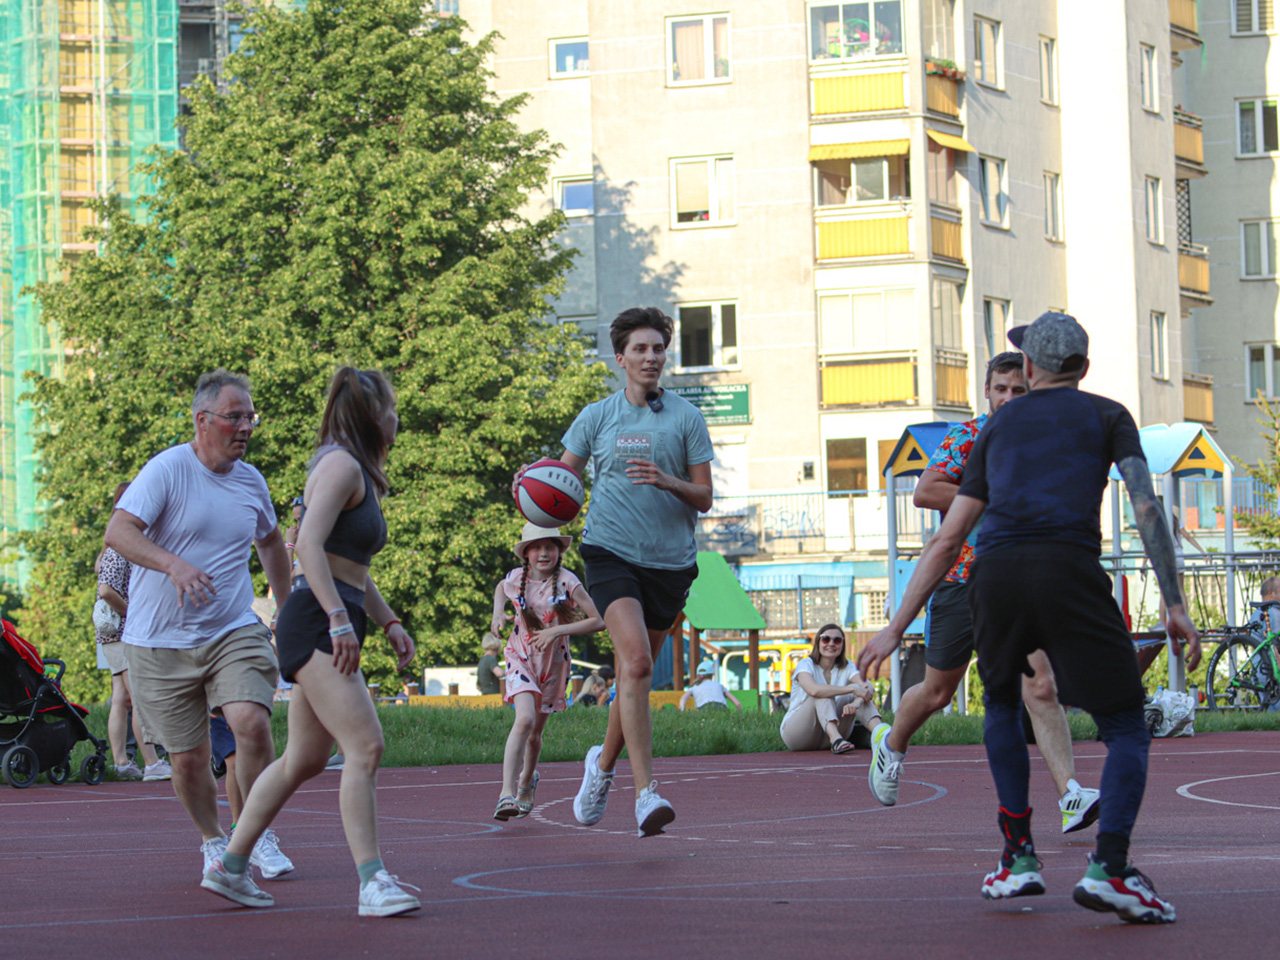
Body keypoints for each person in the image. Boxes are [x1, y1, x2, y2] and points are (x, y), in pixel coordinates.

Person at [858, 312, 1200, 924]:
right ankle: (1111, 867)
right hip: (1070, 570)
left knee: (1002, 705)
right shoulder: (1108, 415)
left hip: (997, 577)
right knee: (1125, 724)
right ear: (1083, 368)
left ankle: (1018, 856)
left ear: (1033, 368)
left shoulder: (998, 427)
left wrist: (895, 625)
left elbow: (949, 536)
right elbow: (1146, 507)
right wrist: (1174, 604)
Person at [201, 366, 419, 917]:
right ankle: (372, 882)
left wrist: (389, 622)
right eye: (392, 409)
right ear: (372, 415)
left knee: (303, 758)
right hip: (317, 620)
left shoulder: (352, 468)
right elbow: (308, 548)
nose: (397, 419)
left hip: (330, 615)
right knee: (365, 746)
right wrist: (338, 620)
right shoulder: (342, 465)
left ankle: (229, 867)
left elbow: (351, 567)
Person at [867, 352, 1101, 834]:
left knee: (1041, 686)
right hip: (960, 584)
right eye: (1001, 389)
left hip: (1020, 586)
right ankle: (890, 745)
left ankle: (1071, 795)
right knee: (937, 692)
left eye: (1019, 390)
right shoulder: (967, 437)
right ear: (988, 392)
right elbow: (926, 491)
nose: (1009, 398)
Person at [517, 306, 714, 837]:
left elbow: (705, 497)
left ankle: (601, 766)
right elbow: (559, 485)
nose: (651, 357)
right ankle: (647, 793)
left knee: (633, 674)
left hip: (670, 564)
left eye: (658, 348)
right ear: (621, 357)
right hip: (610, 553)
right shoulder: (596, 417)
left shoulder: (686, 418)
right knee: (638, 662)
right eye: (640, 349)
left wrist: (668, 481)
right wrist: (529, 486)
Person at [105, 369, 294, 884]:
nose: (246, 427)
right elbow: (118, 531)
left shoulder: (251, 481)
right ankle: (213, 841)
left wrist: (288, 609)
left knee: (251, 722)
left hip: (231, 628)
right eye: (235, 417)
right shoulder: (167, 470)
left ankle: (253, 833)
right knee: (189, 759)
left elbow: (270, 541)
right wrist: (173, 565)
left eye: (251, 417)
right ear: (202, 420)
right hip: (158, 642)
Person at [490, 522, 604, 821]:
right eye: (537, 547)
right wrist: (498, 612)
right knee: (524, 719)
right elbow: (501, 587)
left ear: (558, 551)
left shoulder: (568, 581)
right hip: (520, 657)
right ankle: (506, 793)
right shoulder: (516, 578)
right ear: (525, 554)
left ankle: (527, 780)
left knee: (535, 734)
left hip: (553, 664)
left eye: (550, 547)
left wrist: (556, 631)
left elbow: (599, 620)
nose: (543, 553)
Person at [96, 482, 169, 782]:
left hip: (112, 633)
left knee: (121, 698)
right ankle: (152, 763)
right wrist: (132, 613)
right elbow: (106, 590)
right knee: (138, 697)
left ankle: (122, 762)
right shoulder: (121, 545)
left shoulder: (112, 544)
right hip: (123, 632)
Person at [779, 624, 881, 752]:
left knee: (858, 691)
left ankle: (883, 736)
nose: (831, 644)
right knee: (822, 694)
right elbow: (814, 690)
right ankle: (836, 740)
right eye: (826, 639)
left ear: (842, 645)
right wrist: (851, 689)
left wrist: (857, 703)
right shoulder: (805, 664)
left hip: (827, 736)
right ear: (818, 642)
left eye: (837, 640)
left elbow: (868, 687)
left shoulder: (847, 666)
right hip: (798, 734)